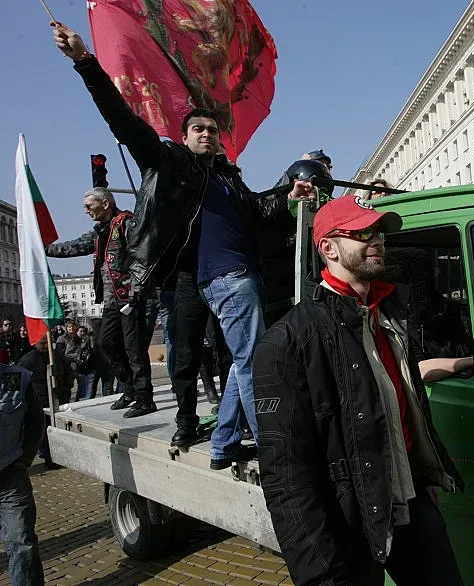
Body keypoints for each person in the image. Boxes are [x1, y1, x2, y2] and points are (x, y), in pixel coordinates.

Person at [52, 24, 310, 454]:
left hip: (234, 274)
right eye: (198, 129)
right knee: (194, 357)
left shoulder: (229, 178)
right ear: (185, 136)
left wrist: (290, 195)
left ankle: (225, 440)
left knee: (238, 361)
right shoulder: (168, 161)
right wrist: (85, 62)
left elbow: (258, 210)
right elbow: (123, 118)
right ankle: (231, 436)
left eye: (212, 129)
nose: (206, 133)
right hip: (187, 277)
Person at [254, 196, 464, 585]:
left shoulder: (390, 315)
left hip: (412, 503)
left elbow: (403, 404)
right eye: (362, 233)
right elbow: (286, 479)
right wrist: (320, 574)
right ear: (328, 248)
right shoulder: (287, 342)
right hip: (350, 521)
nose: (377, 240)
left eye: (379, 232)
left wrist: (420, 478)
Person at [46, 187, 155, 418]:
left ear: (105, 204)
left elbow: (143, 256)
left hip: (130, 298)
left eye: (89, 206)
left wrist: (137, 289)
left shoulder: (126, 223)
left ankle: (145, 398)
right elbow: (73, 246)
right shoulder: (97, 233)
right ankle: (129, 389)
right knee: (106, 343)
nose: (86, 211)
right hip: (110, 300)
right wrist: (43, 249)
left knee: (133, 348)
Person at [0, 363, 46, 585]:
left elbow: (36, 419)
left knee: (22, 543)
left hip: (10, 478)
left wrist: (26, 457)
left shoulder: (14, 379)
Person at [16, 334, 74, 469]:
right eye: (42, 344)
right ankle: (49, 457)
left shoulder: (57, 356)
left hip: (58, 397)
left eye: (47, 343)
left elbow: (68, 370)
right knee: (43, 432)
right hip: (40, 401)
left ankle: (60, 455)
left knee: (59, 429)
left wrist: (67, 384)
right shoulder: (27, 360)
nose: (45, 346)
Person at [67, 325, 96, 401]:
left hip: (88, 366)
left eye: (84, 331)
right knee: (82, 386)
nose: (82, 333)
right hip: (76, 367)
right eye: (80, 331)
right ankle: (79, 401)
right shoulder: (73, 341)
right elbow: (67, 354)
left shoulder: (88, 340)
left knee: (86, 387)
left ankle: (82, 400)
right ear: (77, 332)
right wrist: (78, 356)